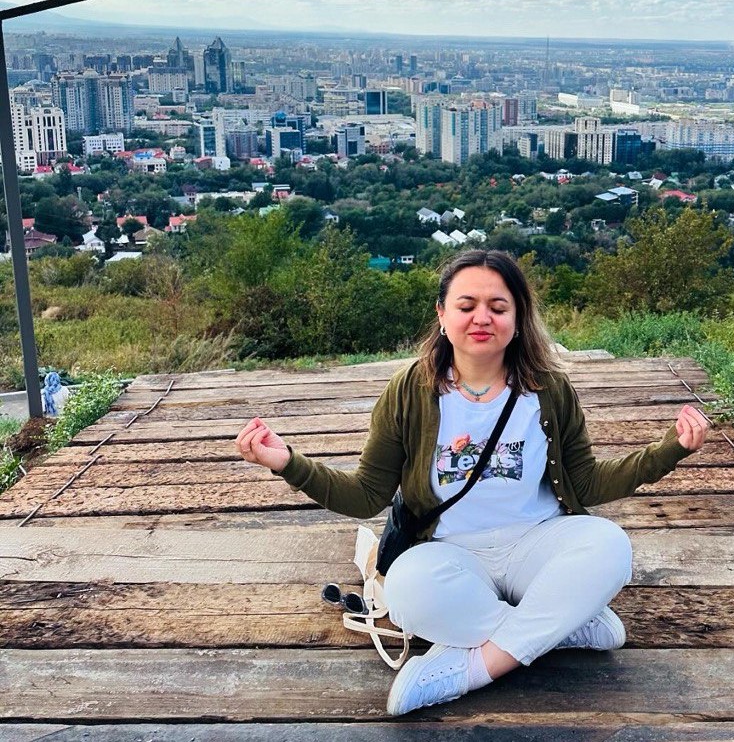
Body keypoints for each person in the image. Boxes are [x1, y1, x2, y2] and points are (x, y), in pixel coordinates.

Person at [236, 249, 708, 715]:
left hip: (537, 542)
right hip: (451, 552)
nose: (482, 318)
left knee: (609, 546)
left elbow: (585, 483)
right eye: (466, 306)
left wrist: (669, 450)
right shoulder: (409, 391)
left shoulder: (549, 389)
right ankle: (562, 626)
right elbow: (366, 495)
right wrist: (288, 463)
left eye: (498, 307)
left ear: (518, 318)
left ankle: (467, 669)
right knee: (406, 590)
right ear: (442, 315)